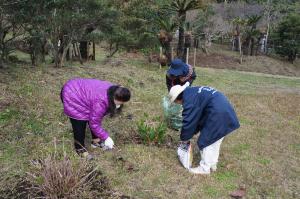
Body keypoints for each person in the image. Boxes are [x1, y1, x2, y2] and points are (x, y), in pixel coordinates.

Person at [169, 83, 240, 174]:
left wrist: (184, 139)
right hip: (223, 109)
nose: (178, 104)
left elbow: (188, 121)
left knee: (207, 140)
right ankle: (212, 164)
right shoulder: (192, 92)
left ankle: (204, 168)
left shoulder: (189, 100)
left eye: (176, 102)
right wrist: (192, 132)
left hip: (218, 113)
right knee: (215, 140)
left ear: (177, 99)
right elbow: (197, 118)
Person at [61, 78, 131, 158]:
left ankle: (96, 141)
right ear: (115, 98)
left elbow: (96, 118)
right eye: (121, 102)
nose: (121, 104)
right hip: (72, 95)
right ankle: (80, 149)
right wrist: (106, 137)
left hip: (83, 93)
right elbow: (94, 123)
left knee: (95, 117)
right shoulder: (101, 102)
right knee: (80, 124)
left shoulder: (116, 90)